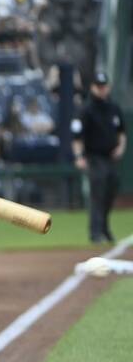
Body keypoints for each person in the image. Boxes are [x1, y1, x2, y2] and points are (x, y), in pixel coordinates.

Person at [72, 72, 127, 243]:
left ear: (108, 87)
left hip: (111, 157)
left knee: (110, 192)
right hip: (94, 157)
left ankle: (104, 227)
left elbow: (122, 132)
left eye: (104, 86)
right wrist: (79, 156)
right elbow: (77, 136)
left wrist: (121, 147)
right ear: (93, 87)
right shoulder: (86, 109)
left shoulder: (113, 108)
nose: (102, 89)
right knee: (98, 193)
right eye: (98, 86)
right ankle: (95, 232)